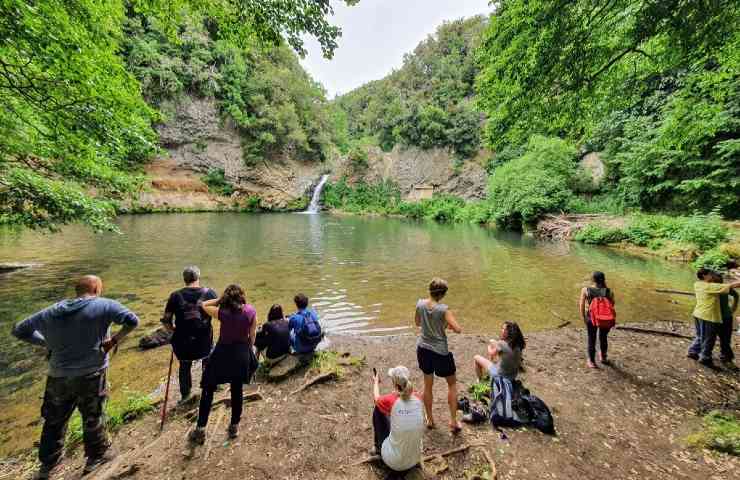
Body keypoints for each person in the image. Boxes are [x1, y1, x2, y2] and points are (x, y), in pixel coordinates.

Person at [12, 275, 139, 479]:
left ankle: (48, 465)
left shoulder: (50, 311)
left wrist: (46, 343)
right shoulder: (105, 305)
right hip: (92, 373)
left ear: (77, 290)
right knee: (93, 415)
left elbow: (19, 330)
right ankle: (95, 458)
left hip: (58, 376)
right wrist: (114, 340)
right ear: (96, 288)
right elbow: (132, 320)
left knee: (54, 420)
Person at [189, 284, 257, 444]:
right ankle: (234, 426)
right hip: (241, 354)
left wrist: (219, 299)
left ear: (226, 298)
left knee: (208, 387)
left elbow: (203, 305)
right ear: (242, 296)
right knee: (237, 389)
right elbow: (252, 335)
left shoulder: (222, 313)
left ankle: (200, 429)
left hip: (222, 354)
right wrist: (248, 350)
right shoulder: (251, 311)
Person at [161, 266, 218, 402]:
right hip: (204, 340)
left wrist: (173, 331)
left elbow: (166, 320)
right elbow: (219, 314)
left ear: (184, 279)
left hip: (183, 342)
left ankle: (185, 395)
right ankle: (209, 387)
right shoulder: (210, 293)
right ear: (198, 277)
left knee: (184, 366)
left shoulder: (175, 296)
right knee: (208, 360)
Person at [415, 278, 463, 433]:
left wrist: (436, 325)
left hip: (423, 348)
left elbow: (417, 323)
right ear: (442, 294)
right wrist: (444, 324)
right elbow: (458, 329)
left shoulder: (420, 304)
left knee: (428, 385)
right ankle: (454, 422)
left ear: (430, 290)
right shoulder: (444, 309)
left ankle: (430, 419)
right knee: (452, 384)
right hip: (440, 351)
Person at [372, 366, 424, 473]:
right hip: (415, 458)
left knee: (378, 408)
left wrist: (376, 382)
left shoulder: (391, 400)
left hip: (394, 462)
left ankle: (378, 448)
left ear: (395, 384)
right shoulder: (418, 397)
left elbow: (376, 398)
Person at [688, 269, 740, 367]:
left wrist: (733, 308)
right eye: (712, 275)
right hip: (711, 316)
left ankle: (696, 352)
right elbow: (733, 286)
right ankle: (704, 357)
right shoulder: (712, 287)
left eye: (716, 276)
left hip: (721, 316)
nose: (715, 277)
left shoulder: (703, 285)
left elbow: (736, 294)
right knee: (709, 338)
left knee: (716, 338)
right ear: (705, 276)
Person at [578, 271, 616, 368]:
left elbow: (581, 305)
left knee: (592, 338)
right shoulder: (609, 291)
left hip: (591, 318)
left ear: (593, 280)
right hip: (606, 319)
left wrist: (583, 317)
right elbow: (612, 305)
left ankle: (591, 361)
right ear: (603, 279)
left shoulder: (586, 290)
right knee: (603, 337)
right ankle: (603, 357)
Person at [712, 272, 739, 367]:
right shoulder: (714, 288)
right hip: (718, 316)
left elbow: (736, 295)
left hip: (724, 316)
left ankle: (726, 356)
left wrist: (734, 307)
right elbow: (736, 296)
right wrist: (734, 307)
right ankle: (726, 356)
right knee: (724, 338)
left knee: (724, 338)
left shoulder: (724, 288)